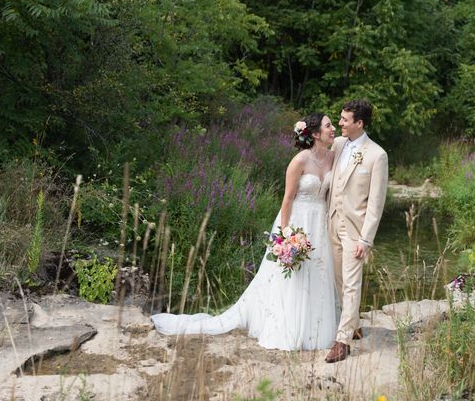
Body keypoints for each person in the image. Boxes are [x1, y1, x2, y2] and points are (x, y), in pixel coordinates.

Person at [151, 113, 338, 351]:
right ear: (314, 134)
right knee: (294, 275)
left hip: (320, 224)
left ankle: (317, 330)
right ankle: (290, 328)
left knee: (319, 272)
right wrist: (286, 234)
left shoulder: (333, 157)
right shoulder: (299, 161)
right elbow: (287, 200)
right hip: (298, 221)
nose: (333, 129)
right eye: (328, 125)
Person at [325, 100, 389, 363]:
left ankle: (342, 342)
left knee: (351, 284)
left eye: (344, 119)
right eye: (339, 119)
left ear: (359, 123)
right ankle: (355, 323)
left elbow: (376, 202)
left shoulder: (377, 155)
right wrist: (302, 131)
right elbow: (316, 153)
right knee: (339, 279)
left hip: (355, 230)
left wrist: (366, 238)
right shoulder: (339, 145)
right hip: (331, 223)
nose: (340, 123)